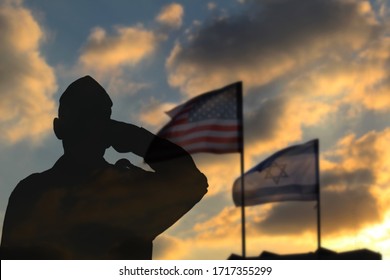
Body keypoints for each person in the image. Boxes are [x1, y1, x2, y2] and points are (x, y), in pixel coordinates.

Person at [0, 76, 208, 259]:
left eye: (96, 120)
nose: (88, 130)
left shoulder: (129, 186)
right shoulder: (32, 191)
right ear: (59, 128)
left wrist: (136, 138)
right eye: (82, 120)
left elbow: (191, 182)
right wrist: (137, 139)